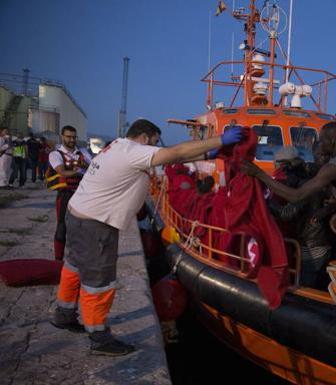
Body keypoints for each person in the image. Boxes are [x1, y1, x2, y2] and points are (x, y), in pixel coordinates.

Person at [51, 119, 243, 356]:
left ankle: (64, 314)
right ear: (144, 137)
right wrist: (221, 140)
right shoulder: (133, 152)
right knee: (99, 281)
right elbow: (176, 152)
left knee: (74, 267)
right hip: (96, 225)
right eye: (153, 142)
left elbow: (173, 158)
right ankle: (98, 336)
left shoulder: (118, 147)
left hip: (78, 215)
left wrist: (209, 154)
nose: (155, 147)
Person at [241, 122, 336, 278]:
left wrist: (259, 174)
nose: (319, 143)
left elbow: (295, 196)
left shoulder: (333, 168)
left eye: (322, 140)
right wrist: (304, 167)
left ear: (331, 142)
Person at [268, 146, 336, 288]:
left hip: (311, 245)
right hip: (316, 241)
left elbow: (286, 213)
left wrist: (265, 201)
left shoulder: (305, 187)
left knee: (307, 286)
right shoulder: (313, 180)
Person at [48, 126, 92, 260]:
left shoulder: (83, 152)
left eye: (74, 137)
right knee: (62, 226)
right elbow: (62, 171)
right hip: (65, 194)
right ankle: (58, 260)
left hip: (82, 194)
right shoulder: (55, 154)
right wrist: (81, 168)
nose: (72, 139)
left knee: (83, 226)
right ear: (62, 136)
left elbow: (95, 168)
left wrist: (84, 166)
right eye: (68, 137)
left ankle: (79, 258)